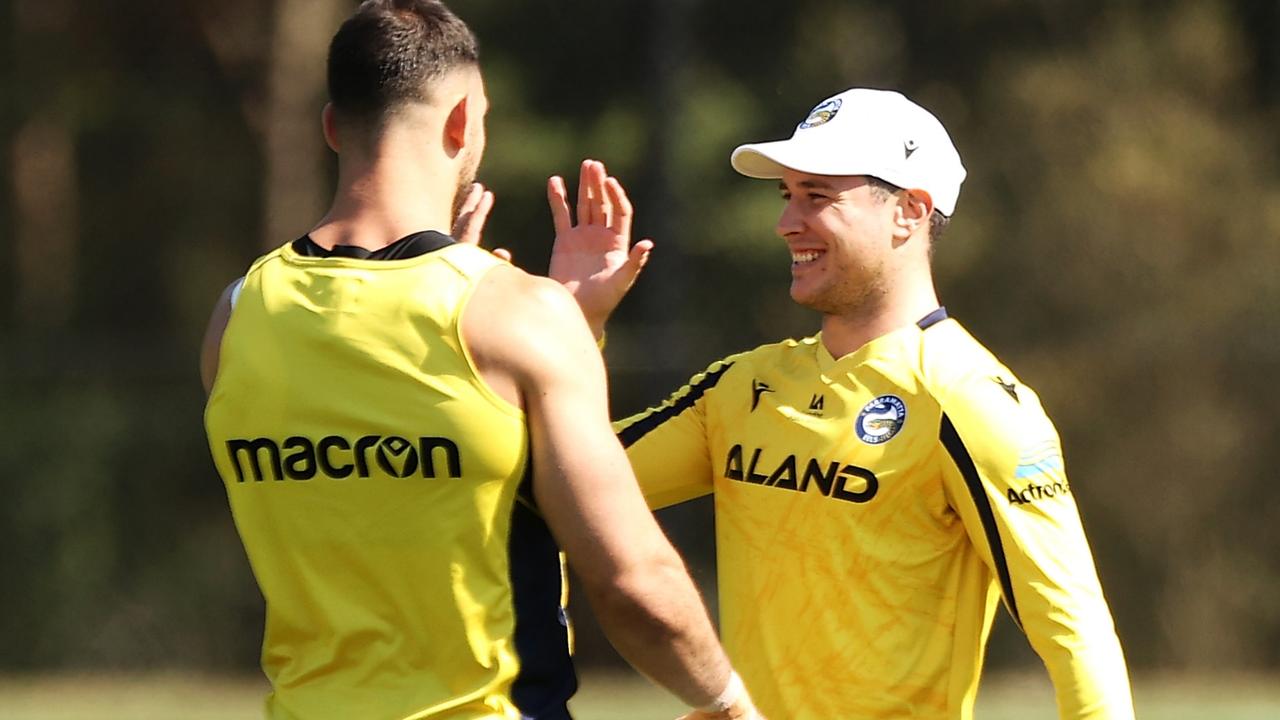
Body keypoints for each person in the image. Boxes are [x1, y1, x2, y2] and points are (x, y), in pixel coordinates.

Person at [200, 2, 762, 718]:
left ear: (332, 126)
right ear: (463, 122)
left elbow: (367, 489)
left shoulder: (239, 314)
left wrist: (561, 323)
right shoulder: (514, 316)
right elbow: (631, 580)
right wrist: (729, 702)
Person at [540, 89, 1137, 719]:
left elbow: (1074, 631)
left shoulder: (972, 400)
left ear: (910, 211)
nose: (787, 222)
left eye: (818, 197)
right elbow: (558, 485)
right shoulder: (742, 386)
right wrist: (573, 326)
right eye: (786, 196)